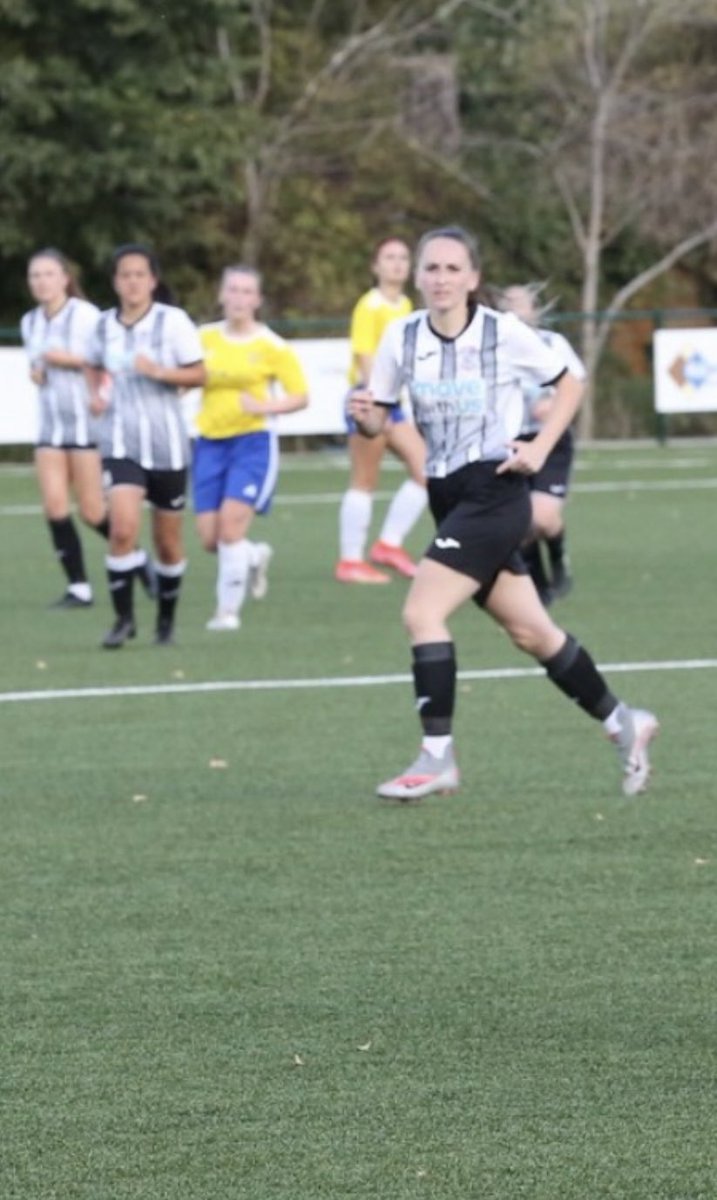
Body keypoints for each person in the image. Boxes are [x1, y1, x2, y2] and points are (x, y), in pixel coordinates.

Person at [349, 226, 658, 800]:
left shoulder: (503, 333)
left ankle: (436, 756)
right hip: (448, 496)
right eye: (431, 268)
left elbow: (569, 385)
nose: (440, 279)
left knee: (422, 613)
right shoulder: (401, 338)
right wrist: (365, 414)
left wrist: (539, 449)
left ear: (472, 278)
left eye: (452, 269)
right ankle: (625, 724)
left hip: (496, 492)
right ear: (417, 277)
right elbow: (380, 419)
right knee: (532, 631)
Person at [84, 244, 205, 648]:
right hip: (120, 440)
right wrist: (96, 394)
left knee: (168, 543)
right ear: (115, 282)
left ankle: (165, 622)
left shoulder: (173, 322)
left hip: (168, 444)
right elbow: (91, 363)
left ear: (152, 280)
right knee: (121, 529)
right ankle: (123, 620)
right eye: (124, 275)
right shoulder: (102, 326)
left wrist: (160, 371)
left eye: (139, 274)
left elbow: (200, 374)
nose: (132, 282)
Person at [193, 265, 308, 631]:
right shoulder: (203, 338)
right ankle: (254, 556)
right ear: (221, 295)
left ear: (257, 300)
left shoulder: (272, 346)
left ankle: (226, 612)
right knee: (211, 540)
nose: (239, 298)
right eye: (233, 290)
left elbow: (300, 396)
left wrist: (264, 408)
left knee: (229, 529)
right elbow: (186, 376)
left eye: (247, 292)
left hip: (253, 443)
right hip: (209, 442)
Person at [20, 249, 112, 607]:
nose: (40, 282)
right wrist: (37, 371)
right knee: (55, 507)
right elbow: (37, 364)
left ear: (64, 278)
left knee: (92, 512)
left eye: (47, 274)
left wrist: (67, 361)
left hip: (87, 425)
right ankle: (79, 588)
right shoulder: (30, 321)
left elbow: (106, 361)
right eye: (34, 276)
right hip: (50, 426)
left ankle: (134, 557)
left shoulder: (86, 316)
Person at [335, 237, 427, 584]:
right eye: (389, 257)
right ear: (376, 266)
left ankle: (388, 544)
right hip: (370, 399)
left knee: (426, 472)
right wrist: (376, 399)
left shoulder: (405, 305)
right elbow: (364, 358)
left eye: (403, 258)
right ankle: (350, 560)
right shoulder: (369, 306)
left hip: (394, 404)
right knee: (364, 480)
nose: (397, 264)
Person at [498, 283, 586, 604]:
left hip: (550, 439)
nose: (516, 310)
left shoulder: (552, 343)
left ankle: (559, 559)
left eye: (522, 303)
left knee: (543, 518)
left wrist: (553, 404)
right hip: (509, 441)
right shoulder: (494, 345)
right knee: (520, 521)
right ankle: (538, 583)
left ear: (534, 310)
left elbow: (576, 383)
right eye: (509, 303)